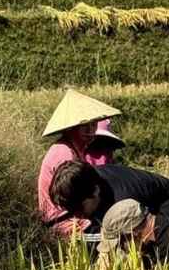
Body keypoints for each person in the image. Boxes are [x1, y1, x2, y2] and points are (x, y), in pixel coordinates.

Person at [49, 159, 169, 246]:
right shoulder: (88, 179)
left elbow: (144, 243)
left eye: (78, 208)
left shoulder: (123, 202)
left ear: (95, 191)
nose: (76, 215)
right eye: (70, 210)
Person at [37, 89, 122, 236]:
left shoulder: (76, 149)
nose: (90, 131)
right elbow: (74, 199)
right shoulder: (64, 153)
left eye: (93, 125)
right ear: (71, 128)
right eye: (85, 126)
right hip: (65, 222)